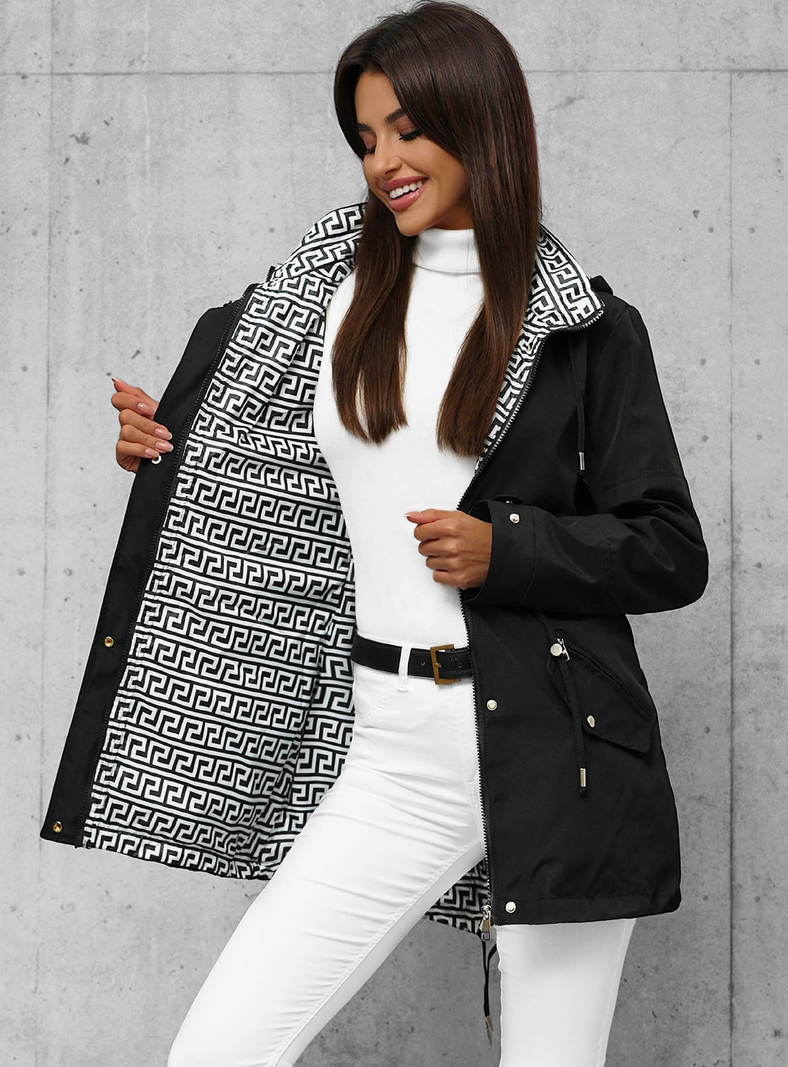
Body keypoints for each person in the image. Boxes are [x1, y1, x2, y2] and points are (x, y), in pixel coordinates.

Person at [40, 3, 709, 1065]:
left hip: (561, 752)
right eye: (365, 138)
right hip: (394, 754)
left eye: (408, 128)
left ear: (481, 121)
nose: (384, 161)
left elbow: (670, 547)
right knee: (215, 1051)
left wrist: (508, 547)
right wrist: (161, 450)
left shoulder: (585, 327)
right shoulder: (322, 299)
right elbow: (261, 474)